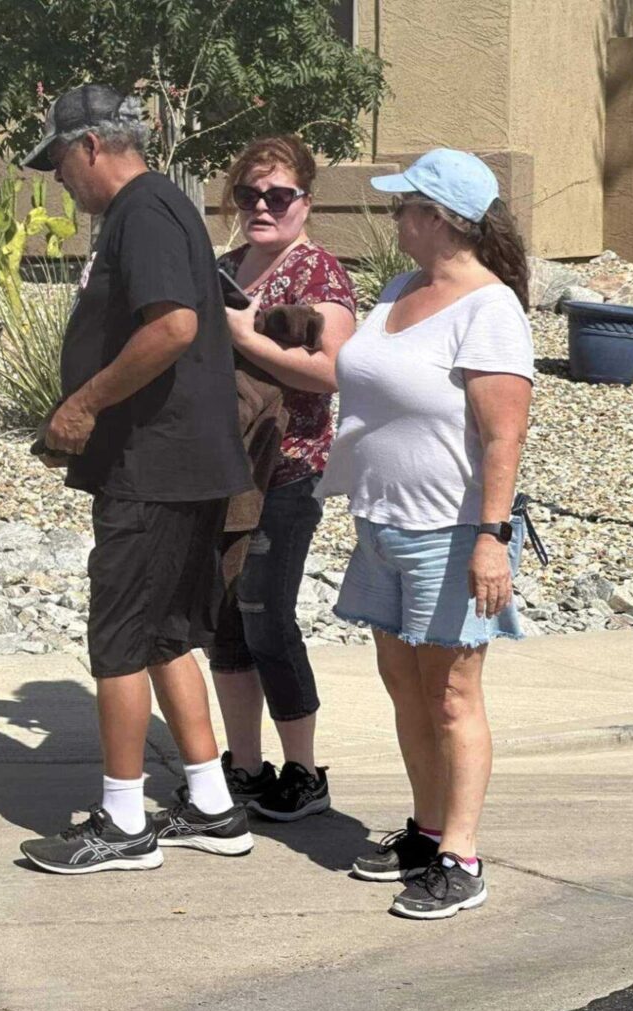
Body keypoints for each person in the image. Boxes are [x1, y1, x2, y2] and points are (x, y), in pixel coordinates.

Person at [16, 86, 254, 874]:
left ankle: (121, 823)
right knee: (163, 635)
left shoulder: (144, 211)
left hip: (154, 467)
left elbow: (175, 325)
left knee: (117, 640)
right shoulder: (160, 207)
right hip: (178, 464)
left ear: (90, 146)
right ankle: (213, 804)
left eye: (58, 164)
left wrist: (83, 405)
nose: (60, 182)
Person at [318, 148, 534, 919]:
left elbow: (503, 437)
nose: (394, 217)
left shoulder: (489, 308)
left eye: (404, 205)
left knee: (452, 697)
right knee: (404, 687)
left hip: (449, 533)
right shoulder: (400, 289)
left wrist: (492, 538)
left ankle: (462, 858)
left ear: (439, 218)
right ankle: (427, 828)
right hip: (381, 524)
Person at [211, 134, 357, 822]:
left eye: (278, 196)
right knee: (225, 621)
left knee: (268, 615)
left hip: (290, 468)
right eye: (249, 195)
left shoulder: (320, 275)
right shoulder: (227, 267)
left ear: (305, 201)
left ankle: (302, 770)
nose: (262, 208)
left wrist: (245, 339)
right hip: (224, 467)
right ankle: (243, 766)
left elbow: (335, 371)